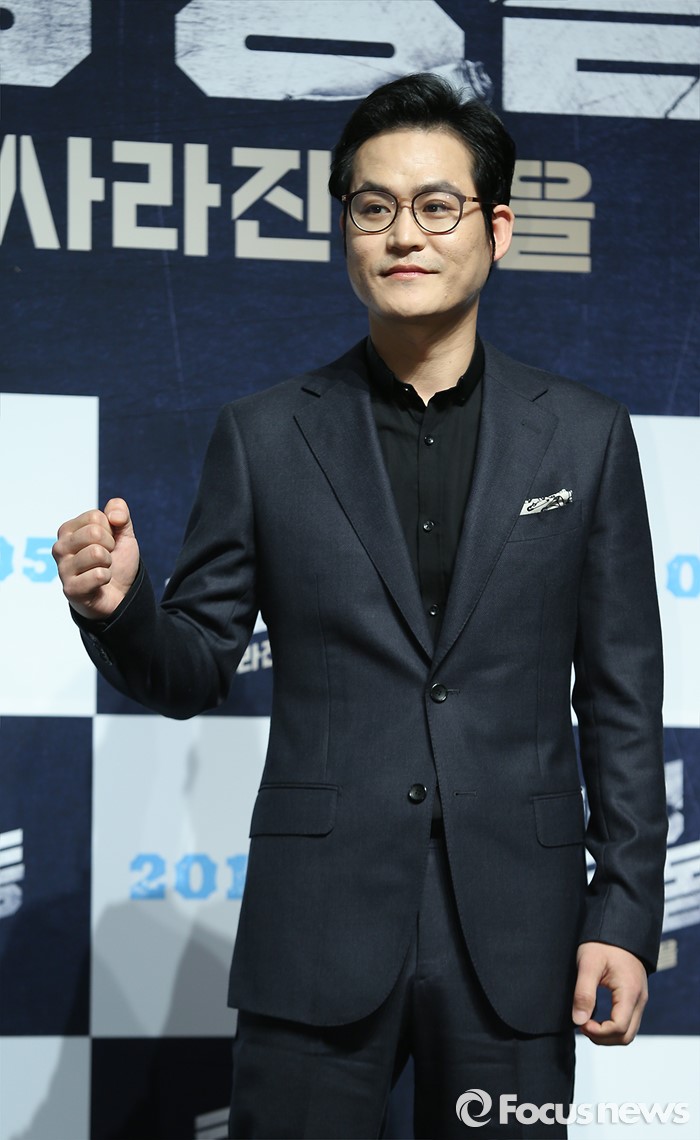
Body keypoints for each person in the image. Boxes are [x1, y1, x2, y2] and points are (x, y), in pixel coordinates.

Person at [53, 74, 667, 1139]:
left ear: (497, 230)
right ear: (344, 231)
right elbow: (195, 665)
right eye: (373, 206)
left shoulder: (585, 436)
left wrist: (622, 910)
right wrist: (121, 608)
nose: (403, 234)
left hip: (517, 940)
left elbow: (621, 701)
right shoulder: (264, 435)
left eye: (437, 205)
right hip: (315, 929)